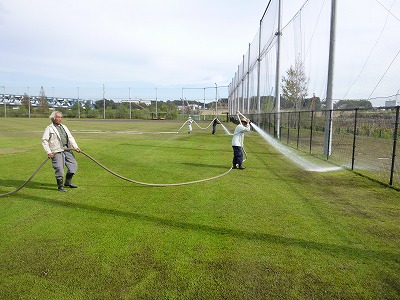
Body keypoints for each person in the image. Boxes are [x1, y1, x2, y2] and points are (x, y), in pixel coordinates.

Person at [42, 111, 81, 192]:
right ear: (53, 118)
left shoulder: (64, 127)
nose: (60, 119)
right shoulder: (49, 128)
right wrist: (48, 152)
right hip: (56, 150)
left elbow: (70, 138)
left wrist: (76, 147)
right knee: (59, 168)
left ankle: (67, 182)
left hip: (67, 149)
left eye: (61, 117)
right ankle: (60, 187)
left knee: (73, 165)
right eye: (58, 117)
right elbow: (44, 141)